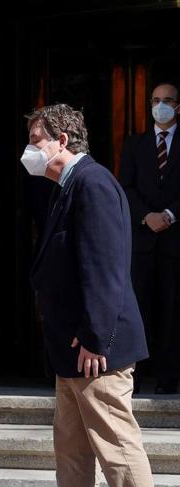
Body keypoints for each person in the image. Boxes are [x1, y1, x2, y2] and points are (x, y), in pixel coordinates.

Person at [18, 104, 170, 487]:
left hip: (95, 350)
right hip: (71, 349)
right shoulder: (67, 187)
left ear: (62, 140)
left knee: (117, 443)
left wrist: (95, 340)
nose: (30, 151)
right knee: (73, 449)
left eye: (36, 140)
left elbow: (103, 269)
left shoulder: (94, 183)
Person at [119, 82, 180, 394]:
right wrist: (147, 216)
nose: (162, 105)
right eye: (156, 100)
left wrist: (169, 215)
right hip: (142, 243)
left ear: (178, 107)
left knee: (172, 310)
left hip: (175, 243)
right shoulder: (135, 144)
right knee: (138, 309)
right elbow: (124, 188)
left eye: (168, 100)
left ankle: (169, 379)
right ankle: (136, 376)